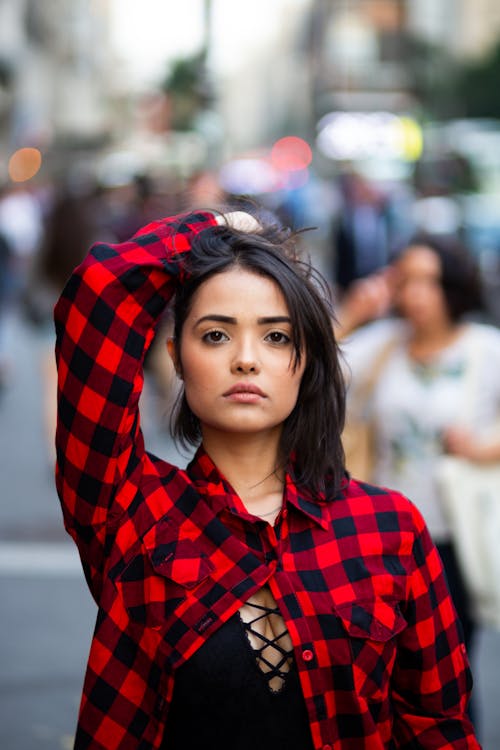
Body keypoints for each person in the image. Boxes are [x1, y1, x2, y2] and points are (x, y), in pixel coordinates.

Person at [54, 208, 480, 750]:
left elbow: (437, 727)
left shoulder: (389, 527)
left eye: (276, 337)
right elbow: (99, 295)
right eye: (215, 336)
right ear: (176, 359)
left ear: (307, 361)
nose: (247, 360)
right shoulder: (132, 508)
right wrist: (220, 223)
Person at [338, 233, 500, 663]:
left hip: (457, 531)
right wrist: (354, 312)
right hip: (387, 534)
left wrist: (486, 447)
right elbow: (307, 369)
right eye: (406, 280)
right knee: (391, 663)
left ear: (453, 284)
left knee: (453, 662)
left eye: (429, 280)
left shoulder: (484, 348)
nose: (416, 293)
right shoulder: (383, 343)